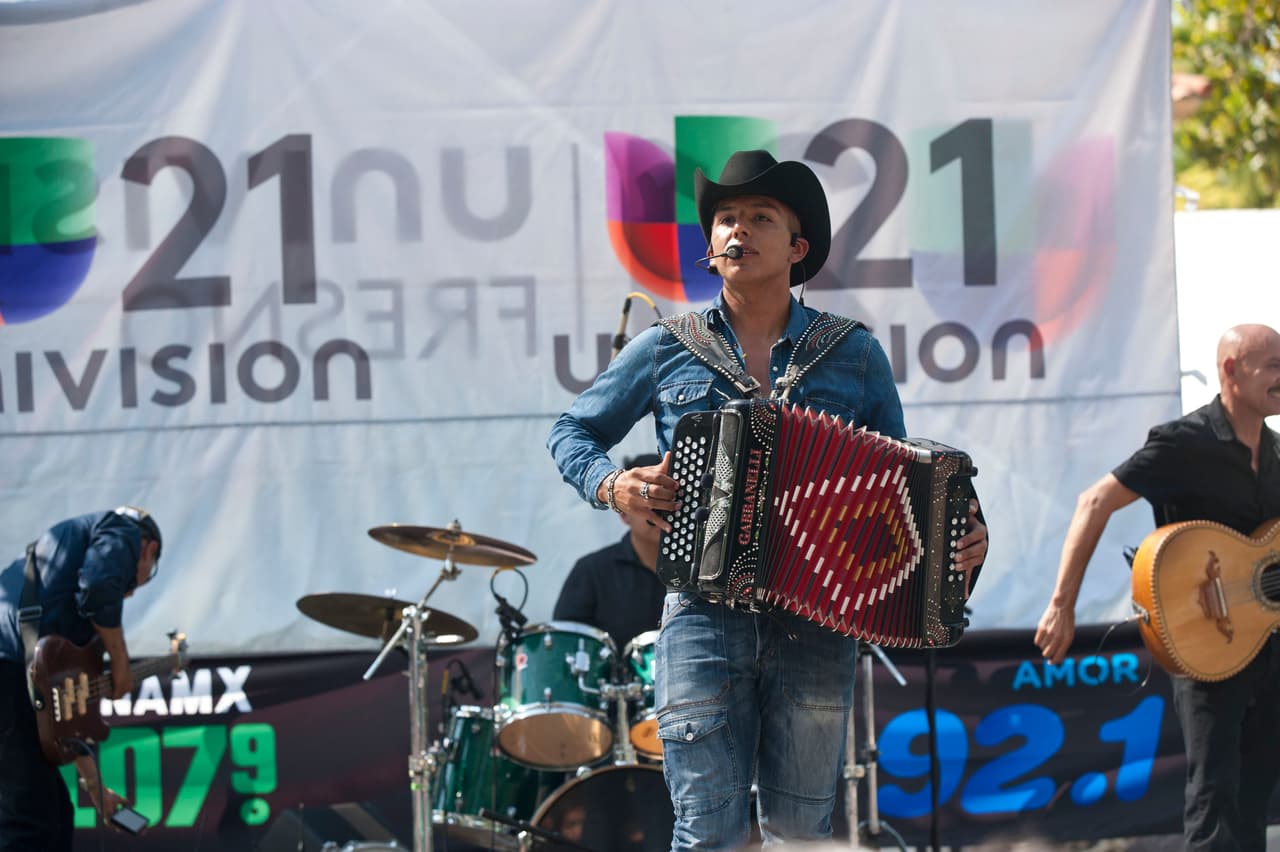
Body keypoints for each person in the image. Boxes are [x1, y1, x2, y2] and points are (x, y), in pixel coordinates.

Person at [548, 149, 988, 849]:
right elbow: (572, 430)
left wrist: (958, 540)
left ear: (797, 248)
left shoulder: (853, 354)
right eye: (726, 219)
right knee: (707, 833)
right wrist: (612, 485)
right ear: (710, 246)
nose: (738, 230)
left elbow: (907, 490)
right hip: (701, 615)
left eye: (760, 218)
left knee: (800, 836)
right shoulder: (668, 347)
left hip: (817, 628)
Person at [1034, 323, 1280, 852]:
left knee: (1255, 801)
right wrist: (1061, 605)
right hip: (1205, 643)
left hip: (1269, 648)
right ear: (1232, 372)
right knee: (1214, 800)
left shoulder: (1277, 454)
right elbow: (1093, 502)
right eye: (1274, 366)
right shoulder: (1184, 443)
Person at [0, 506, 163, 851]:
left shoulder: (62, 622)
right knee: (30, 821)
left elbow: (65, 722)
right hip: (7, 672)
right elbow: (101, 585)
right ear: (148, 549)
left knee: (56, 815)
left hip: (15, 678)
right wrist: (120, 661)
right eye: (146, 575)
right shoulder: (121, 529)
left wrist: (96, 788)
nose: (133, 591)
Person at [552, 452, 667, 655]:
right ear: (623, 514)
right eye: (649, 501)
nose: (661, 511)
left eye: (668, 500)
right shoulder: (591, 571)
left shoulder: (702, 571)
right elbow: (566, 644)